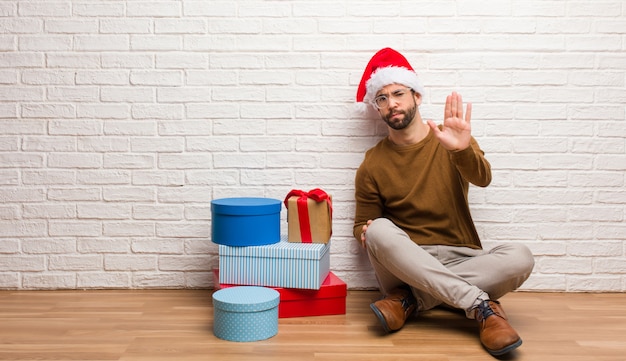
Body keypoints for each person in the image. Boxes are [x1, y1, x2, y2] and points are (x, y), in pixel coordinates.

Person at [353, 48, 535, 356]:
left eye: (398, 93)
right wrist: (364, 232)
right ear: (378, 108)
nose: (391, 103)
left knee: (520, 256)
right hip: (407, 264)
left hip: (462, 257)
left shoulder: (451, 138)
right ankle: (480, 305)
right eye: (381, 98)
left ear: (417, 97)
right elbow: (363, 224)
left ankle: (411, 300)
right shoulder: (372, 163)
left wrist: (461, 150)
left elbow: (483, 178)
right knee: (379, 230)